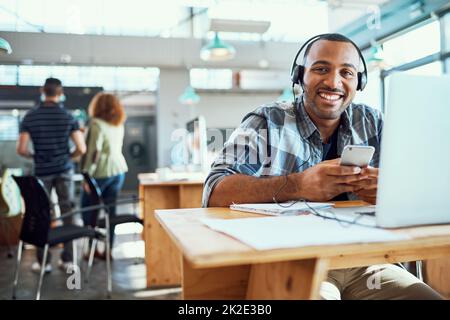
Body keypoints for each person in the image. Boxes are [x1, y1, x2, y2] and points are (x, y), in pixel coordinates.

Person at [202, 33, 442, 300]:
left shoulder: (373, 121)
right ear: (300, 76)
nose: (333, 82)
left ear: (359, 82)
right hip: (298, 260)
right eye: (321, 69)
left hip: (367, 261)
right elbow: (215, 191)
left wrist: (392, 191)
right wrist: (298, 185)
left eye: (347, 72)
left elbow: (424, 183)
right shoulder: (268, 121)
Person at [17, 77, 86, 273]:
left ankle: (43, 262)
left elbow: (21, 149)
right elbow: (81, 148)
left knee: (41, 214)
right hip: (64, 171)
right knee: (68, 213)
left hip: (41, 172)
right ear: (60, 92)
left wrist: (36, 156)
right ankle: (68, 260)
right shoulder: (68, 117)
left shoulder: (30, 117)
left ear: (42, 91)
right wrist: (68, 158)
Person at [80, 93, 128, 259]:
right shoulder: (118, 125)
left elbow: (94, 153)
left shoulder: (96, 124)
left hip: (100, 173)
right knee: (111, 211)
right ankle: (108, 250)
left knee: (88, 210)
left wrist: (87, 175)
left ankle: (90, 250)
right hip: (118, 170)